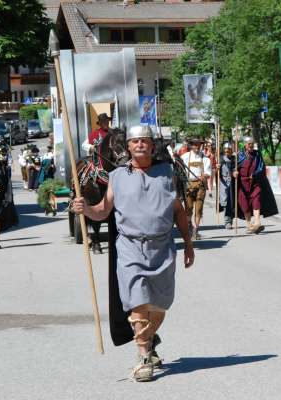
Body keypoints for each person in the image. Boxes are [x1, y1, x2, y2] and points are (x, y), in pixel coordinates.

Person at [71, 125, 194, 382]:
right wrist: (85, 208)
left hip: (162, 248)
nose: (139, 145)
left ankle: (148, 341)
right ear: (127, 147)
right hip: (129, 248)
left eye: (144, 141)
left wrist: (188, 243)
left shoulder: (167, 173)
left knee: (159, 307)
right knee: (138, 303)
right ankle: (143, 358)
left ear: (152, 146)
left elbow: (179, 211)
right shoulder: (116, 176)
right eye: (134, 141)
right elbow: (103, 211)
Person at [233, 136, 278, 233]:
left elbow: (261, 167)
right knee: (245, 205)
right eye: (249, 144)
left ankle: (257, 223)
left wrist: (255, 174)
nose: (251, 146)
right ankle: (249, 225)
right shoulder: (239, 155)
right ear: (245, 144)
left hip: (254, 182)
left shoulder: (257, 154)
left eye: (252, 144)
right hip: (242, 184)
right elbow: (233, 168)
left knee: (256, 201)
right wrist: (234, 172)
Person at [180, 139, 211, 240]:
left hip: (201, 186)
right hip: (188, 185)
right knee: (188, 209)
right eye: (195, 145)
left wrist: (204, 176)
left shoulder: (206, 159)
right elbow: (179, 169)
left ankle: (195, 230)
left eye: (198, 145)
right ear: (191, 146)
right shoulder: (184, 157)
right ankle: (189, 226)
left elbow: (208, 173)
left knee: (199, 209)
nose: (197, 147)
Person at [218, 143, 236, 229]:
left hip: (232, 183)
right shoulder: (220, 159)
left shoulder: (234, 160)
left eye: (228, 150)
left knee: (232, 202)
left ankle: (230, 219)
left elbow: (236, 168)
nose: (227, 152)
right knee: (225, 201)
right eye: (225, 150)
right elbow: (216, 172)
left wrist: (236, 172)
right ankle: (227, 221)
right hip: (223, 182)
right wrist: (217, 168)